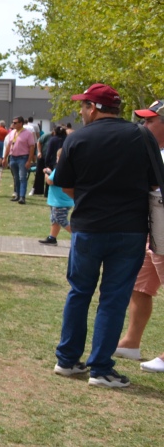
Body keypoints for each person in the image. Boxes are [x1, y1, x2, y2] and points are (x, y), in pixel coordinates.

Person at [52, 83, 157, 388]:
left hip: (87, 227)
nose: (81, 112)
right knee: (113, 299)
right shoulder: (141, 135)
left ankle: (67, 360)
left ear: (94, 108)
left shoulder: (78, 138)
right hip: (130, 229)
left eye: (83, 106)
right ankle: (100, 368)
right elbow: (154, 185)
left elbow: (65, 185)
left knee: (79, 292)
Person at [115, 99, 164, 373]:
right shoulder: (154, 152)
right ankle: (131, 341)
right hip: (153, 233)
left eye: (149, 121)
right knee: (140, 286)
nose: (143, 126)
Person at [38, 148, 73, 246]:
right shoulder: (69, 168)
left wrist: (46, 174)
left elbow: (50, 181)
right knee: (55, 219)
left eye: (57, 157)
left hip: (59, 201)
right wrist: (50, 172)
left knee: (60, 219)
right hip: (62, 199)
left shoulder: (59, 169)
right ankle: (52, 237)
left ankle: (76, 235)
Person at [4, 117, 36, 204]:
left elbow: (32, 147)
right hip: (13, 157)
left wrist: (29, 160)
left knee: (22, 177)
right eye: (13, 122)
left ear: (21, 123)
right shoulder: (12, 133)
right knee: (16, 177)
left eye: (15, 123)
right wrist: (5, 158)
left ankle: (22, 197)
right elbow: (8, 146)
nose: (13, 124)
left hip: (23, 158)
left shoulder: (28, 133)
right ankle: (17, 195)